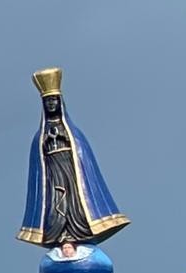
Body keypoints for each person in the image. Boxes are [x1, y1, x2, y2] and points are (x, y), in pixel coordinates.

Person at [17, 67, 129, 248]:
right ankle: (59, 232)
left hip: (71, 171)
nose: (51, 104)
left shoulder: (74, 133)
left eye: (54, 100)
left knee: (74, 202)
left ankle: (79, 227)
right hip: (53, 174)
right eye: (47, 101)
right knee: (55, 205)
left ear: (60, 102)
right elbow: (38, 169)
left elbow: (84, 159)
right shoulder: (39, 136)